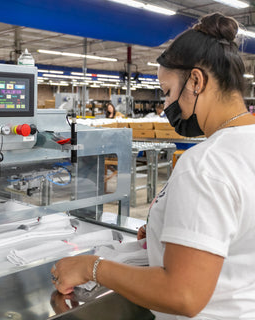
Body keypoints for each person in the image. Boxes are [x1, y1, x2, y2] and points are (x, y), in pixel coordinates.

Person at [51, 12, 255, 319]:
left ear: (196, 81)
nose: (168, 106)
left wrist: (91, 267)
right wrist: (168, 230)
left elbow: (182, 295)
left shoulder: (205, 164)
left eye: (169, 93)